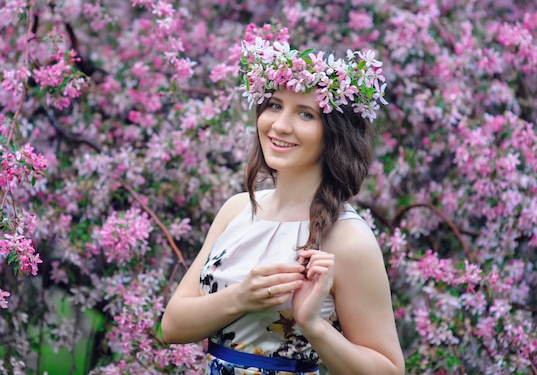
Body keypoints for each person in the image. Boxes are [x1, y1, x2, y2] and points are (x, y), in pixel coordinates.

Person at [160, 34, 405, 375]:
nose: (280, 125)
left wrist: (313, 326)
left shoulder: (348, 238)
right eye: (274, 105)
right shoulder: (237, 210)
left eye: (305, 114)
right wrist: (241, 297)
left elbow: (389, 370)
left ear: (335, 133)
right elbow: (172, 326)